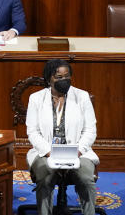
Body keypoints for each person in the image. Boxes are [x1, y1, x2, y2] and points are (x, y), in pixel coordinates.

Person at [25, 59, 98, 215]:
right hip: (46, 152)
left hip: (79, 152)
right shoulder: (36, 99)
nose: (63, 80)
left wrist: (77, 152)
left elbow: (90, 130)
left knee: (86, 179)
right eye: (58, 77)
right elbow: (32, 131)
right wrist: (50, 153)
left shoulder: (82, 96)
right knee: (45, 178)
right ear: (48, 78)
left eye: (67, 76)